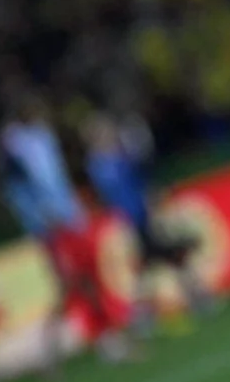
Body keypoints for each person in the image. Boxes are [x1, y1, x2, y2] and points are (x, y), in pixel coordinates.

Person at [0, 95, 132, 367]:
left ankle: (104, 339)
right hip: (51, 228)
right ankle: (55, 352)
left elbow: (55, 176)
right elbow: (16, 189)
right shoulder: (12, 145)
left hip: (70, 219)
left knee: (88, 280)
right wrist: (40, 218)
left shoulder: (42, 136)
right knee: (70, 287)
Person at [83, 112, 216, 337]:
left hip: (145, 214)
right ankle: (152, 309)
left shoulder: (120, 155)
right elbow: (109, 195)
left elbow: (141, 176)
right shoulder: (99, 165)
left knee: (162, 258)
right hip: (130, 220)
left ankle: (189, 296)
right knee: (151, 262)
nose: (108, 135)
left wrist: (151, 195)